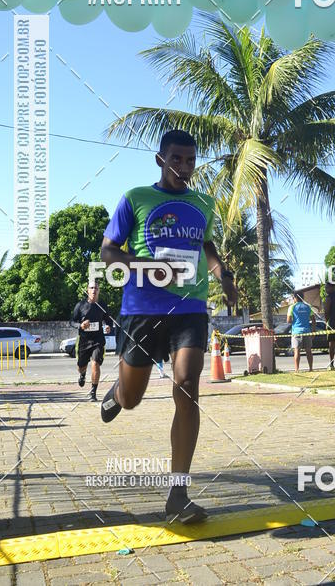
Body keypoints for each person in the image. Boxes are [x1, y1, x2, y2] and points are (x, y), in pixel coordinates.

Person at [99, 129, 236, 524]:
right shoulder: (135, 198)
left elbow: (206, 246)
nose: (184, 167)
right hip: (142, 308)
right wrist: (148, 267)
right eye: (177, 159)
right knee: (132, 398)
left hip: (190, 307)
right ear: (160, 160)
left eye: (191, 160)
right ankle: (117, 392)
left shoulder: (203, 203)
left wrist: (223, 275)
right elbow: (109, 252)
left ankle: (178, 493)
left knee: (187, 387)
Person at [71, 282, 114, 401]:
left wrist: (109, 327)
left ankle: (93, 393)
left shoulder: (102, 305)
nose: (94, 290)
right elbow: (72, 322)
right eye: (91, 288)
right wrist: (81, 325)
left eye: (96, 288)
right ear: (87, 290)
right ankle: (82, 374)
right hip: (84, 340)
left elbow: (109, 321)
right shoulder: (80, 305)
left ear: (99, 290)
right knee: (81, 366)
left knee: (95, 363)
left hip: (98, 340)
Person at [287, 292, 315, 373]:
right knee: (309, 351)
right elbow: (313, 319)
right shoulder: (308, 306)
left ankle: (297, 369)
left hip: (296, 331)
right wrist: (313, 330)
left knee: (297, 351)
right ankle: (310, 368)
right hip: (307, 331)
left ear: (295, 298)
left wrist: (295, 320)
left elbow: (288, 320)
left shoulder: (292, 307)